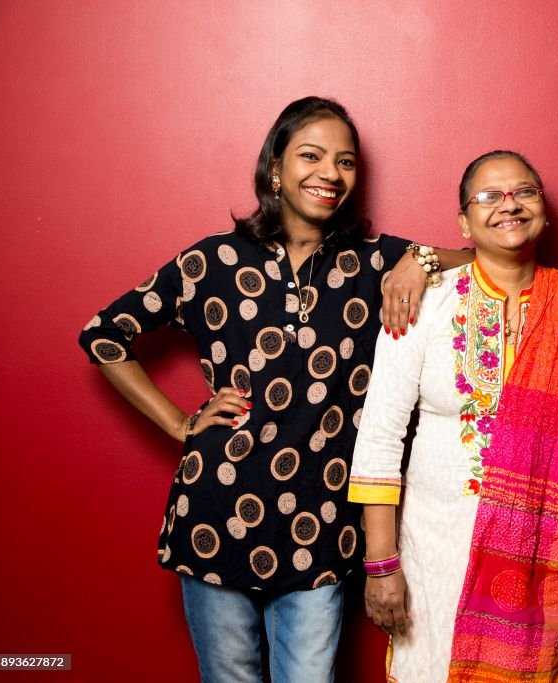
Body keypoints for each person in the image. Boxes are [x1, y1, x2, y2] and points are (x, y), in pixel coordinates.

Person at [78, 96, 472, 682]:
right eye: (311, 155)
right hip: (217, 514)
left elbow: (484, 261)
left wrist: (418, 260)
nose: (329, 173)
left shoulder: (373, 262)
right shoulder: (211, 260)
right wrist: (180, 424)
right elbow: (103, 335)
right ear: (274, 169)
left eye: (345, 161)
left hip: (323, 522)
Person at [349, 150, 558, 682]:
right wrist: (381, 564)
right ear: (464, 222)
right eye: (489, 196)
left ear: (543, 209)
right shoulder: (424, 301)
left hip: (543, 555)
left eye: (524, 192)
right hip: (437, 554)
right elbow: (381, 435)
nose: (509, 205)